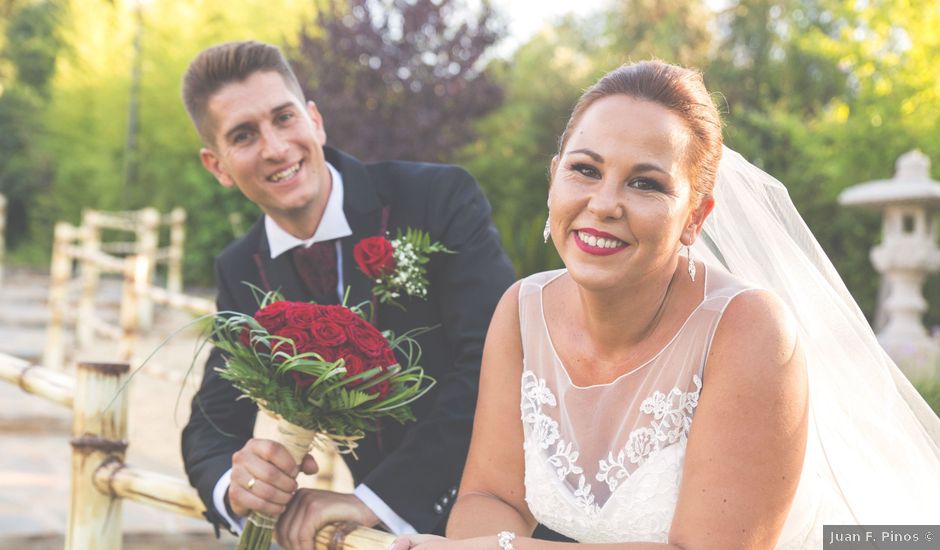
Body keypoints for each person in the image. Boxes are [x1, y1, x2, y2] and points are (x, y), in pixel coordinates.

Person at [392, 61, 940, 550]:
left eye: (645, 183)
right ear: (554, 176)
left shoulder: (750, 331)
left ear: (696, 218)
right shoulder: (521, 309)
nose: (604, 204)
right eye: (585, 169)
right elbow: (488, 500)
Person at [178, 40, 516, 547]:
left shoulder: (437, 199)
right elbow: (209, 425)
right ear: (218, 166)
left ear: (315, 120)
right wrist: (240, 486)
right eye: (244, 136)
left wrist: (375, 501)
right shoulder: (241, 266)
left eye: (284, 118)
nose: (274, 147)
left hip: (505, 507)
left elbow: (497, 364)